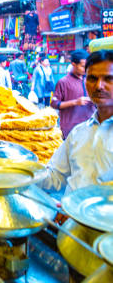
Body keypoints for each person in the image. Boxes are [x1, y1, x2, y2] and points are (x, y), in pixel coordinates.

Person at [40, 50, 113, 196]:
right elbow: (55, 176)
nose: (99, 86)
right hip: (72, 216)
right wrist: (18, 168)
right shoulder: (79, 133)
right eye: (92, 78)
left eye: (108, 79)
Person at [50, 49, 95, 139]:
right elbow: (54, 104)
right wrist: (75, 102)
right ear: (73, 64)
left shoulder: (91, 80)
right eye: (83, 66)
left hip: (90, 126)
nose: (85, 69)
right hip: (71, 130)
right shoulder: (63, 82)